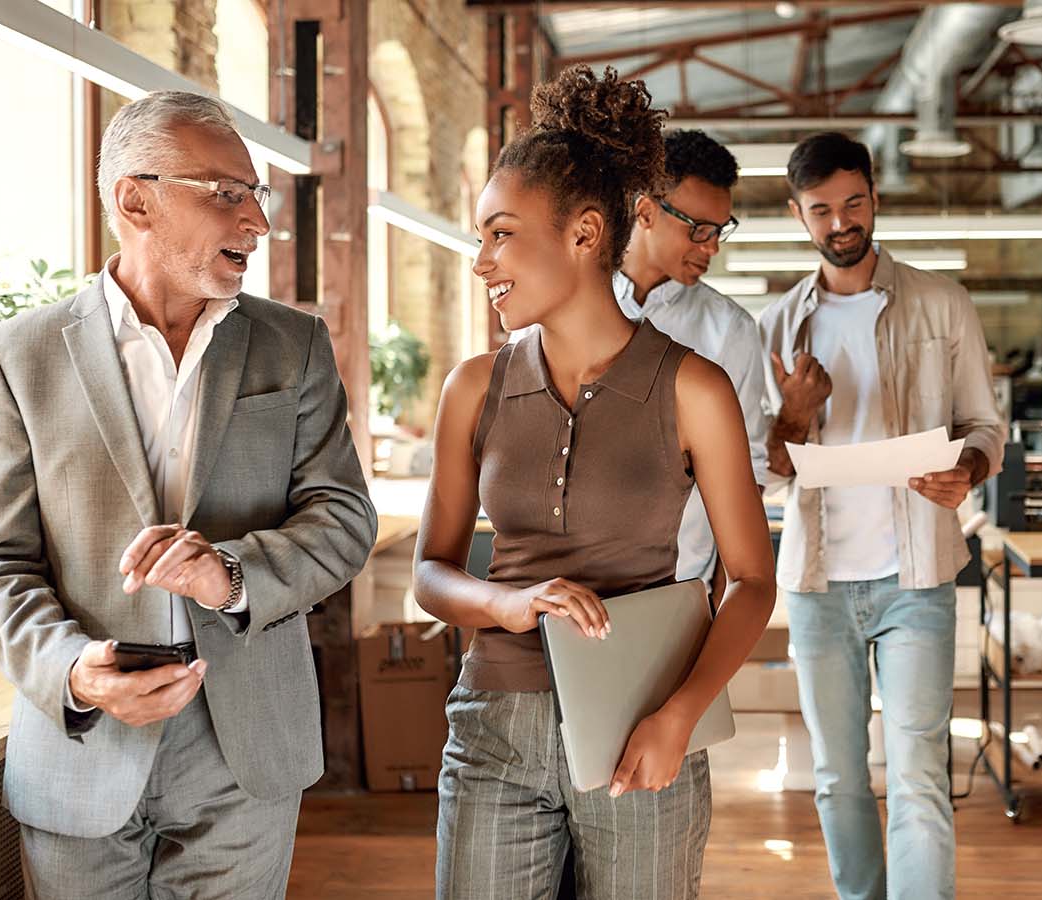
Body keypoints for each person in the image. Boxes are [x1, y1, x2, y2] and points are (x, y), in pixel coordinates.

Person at [0, 90, 378, 899]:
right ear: (134, 199)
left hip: (246, 743)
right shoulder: (17, 356)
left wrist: (232, 574)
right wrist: (76, 671)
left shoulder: (297, 344)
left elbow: (344, 517)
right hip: (81, 744)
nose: (256, 221)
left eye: (258, 195)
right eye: (227, 193)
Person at [413, 65, 776, 899]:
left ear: (583, 234)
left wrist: (677, 719)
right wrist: (507, 603)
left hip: (641, 723)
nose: (481, 262)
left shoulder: (696, 387)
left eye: (500, 234)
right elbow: (432, 574)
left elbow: (753, 580)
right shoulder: (473, 387)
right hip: (492, 730)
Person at [759, 132, 1006, 900]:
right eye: (823, 210)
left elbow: (985, 426)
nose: (842, 223)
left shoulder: (942, 302)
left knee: (918, 775)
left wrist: (968, 469)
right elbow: (761, 471)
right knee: (836, 777)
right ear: (798, 214)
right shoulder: (773, 327)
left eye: (854, 203)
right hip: (817, 583)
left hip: (917, 576)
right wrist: (793, 417)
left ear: (876, 197)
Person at [593, 128, 768, 592]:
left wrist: (718, 596)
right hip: (573, 589)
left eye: (720, 231)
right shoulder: (568, 309)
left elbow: (746, 474)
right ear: (645, 211)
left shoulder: (730, 332)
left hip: (681, 584)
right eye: (699, 230)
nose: (711, 247)